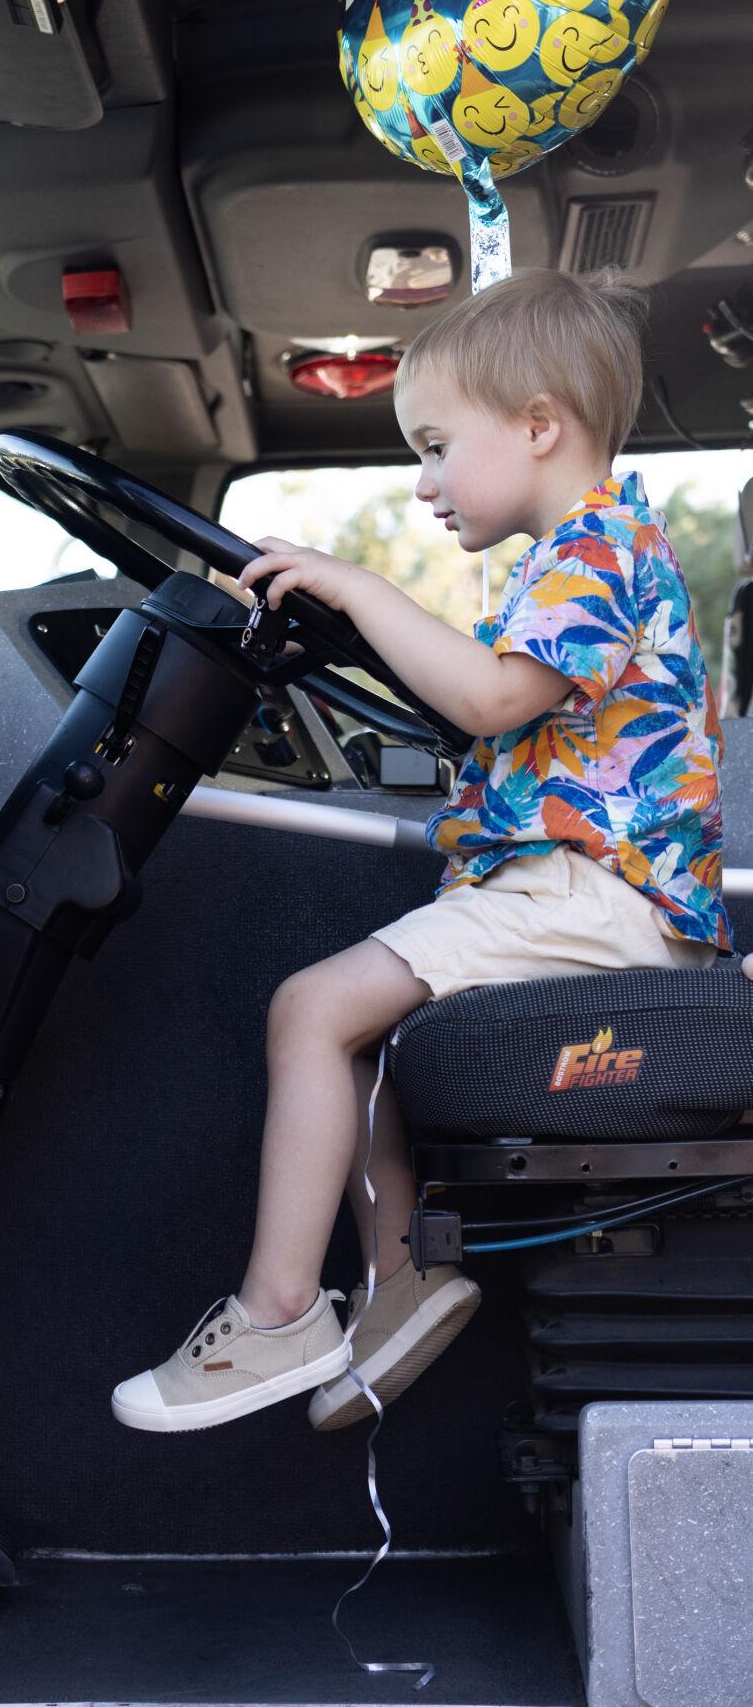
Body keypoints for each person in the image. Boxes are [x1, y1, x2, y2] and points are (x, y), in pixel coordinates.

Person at [110, 266, 731, 1436]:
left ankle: (278, 1310)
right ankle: (394, 1280)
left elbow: (490, 698)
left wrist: (358, 588)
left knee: (308, 1008)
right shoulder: (580, 556)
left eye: (436, 447)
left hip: (592, 896)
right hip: (577, 894)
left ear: (537, 425)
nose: (421, 482)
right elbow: (489, 704)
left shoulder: (598, 549)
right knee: (356, 1029)